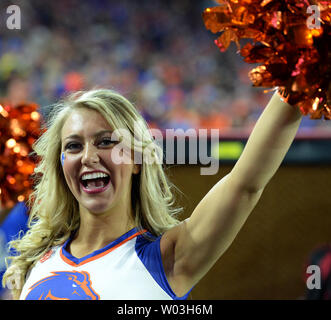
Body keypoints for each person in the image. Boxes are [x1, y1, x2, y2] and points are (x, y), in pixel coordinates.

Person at [2, 87, 302, 300]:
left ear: (135, 160)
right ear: (61, 164)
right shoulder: (35, 260)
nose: (88, 156)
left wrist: (298, 77)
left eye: (106, 142)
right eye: (73, 146)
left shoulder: (169, 258)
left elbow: (245, 183)